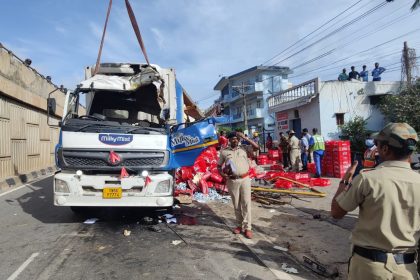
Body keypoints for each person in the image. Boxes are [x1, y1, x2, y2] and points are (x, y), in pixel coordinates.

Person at [331, 122, 420, 280]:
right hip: (407, 269)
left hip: (369, 268)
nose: (376, 149)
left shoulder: (367, 179)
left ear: (385, 149)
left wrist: (344, 181)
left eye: (377, 145)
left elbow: (336, 212)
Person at [217, 131, 259, 239]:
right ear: (229, 140)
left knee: (246, 203)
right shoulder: (224, 152)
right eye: (232, 139)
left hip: (245, 179)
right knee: (236, 205)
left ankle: (248, 228)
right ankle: (239, 226)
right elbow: (218, 167)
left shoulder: (244, 148)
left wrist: (245, 137)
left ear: (238, 139)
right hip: (232, 181)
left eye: (236, 138)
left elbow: (256, 147)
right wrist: (223, 175)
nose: (234, 140)